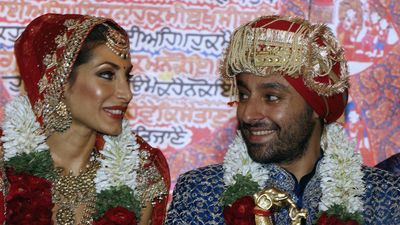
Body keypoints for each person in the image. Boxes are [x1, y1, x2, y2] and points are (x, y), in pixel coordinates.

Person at [166, 15, 400, 225]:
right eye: (244, 95)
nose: (248, 114)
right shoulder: (201, 191)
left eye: (271, 97)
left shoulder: (382, 195)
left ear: (316, 107)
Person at [0, 13, 170, 225]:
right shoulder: (4, 168)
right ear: (59, 80)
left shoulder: (140, 172)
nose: (126, 93)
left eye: (127, 77)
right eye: (107, 75)